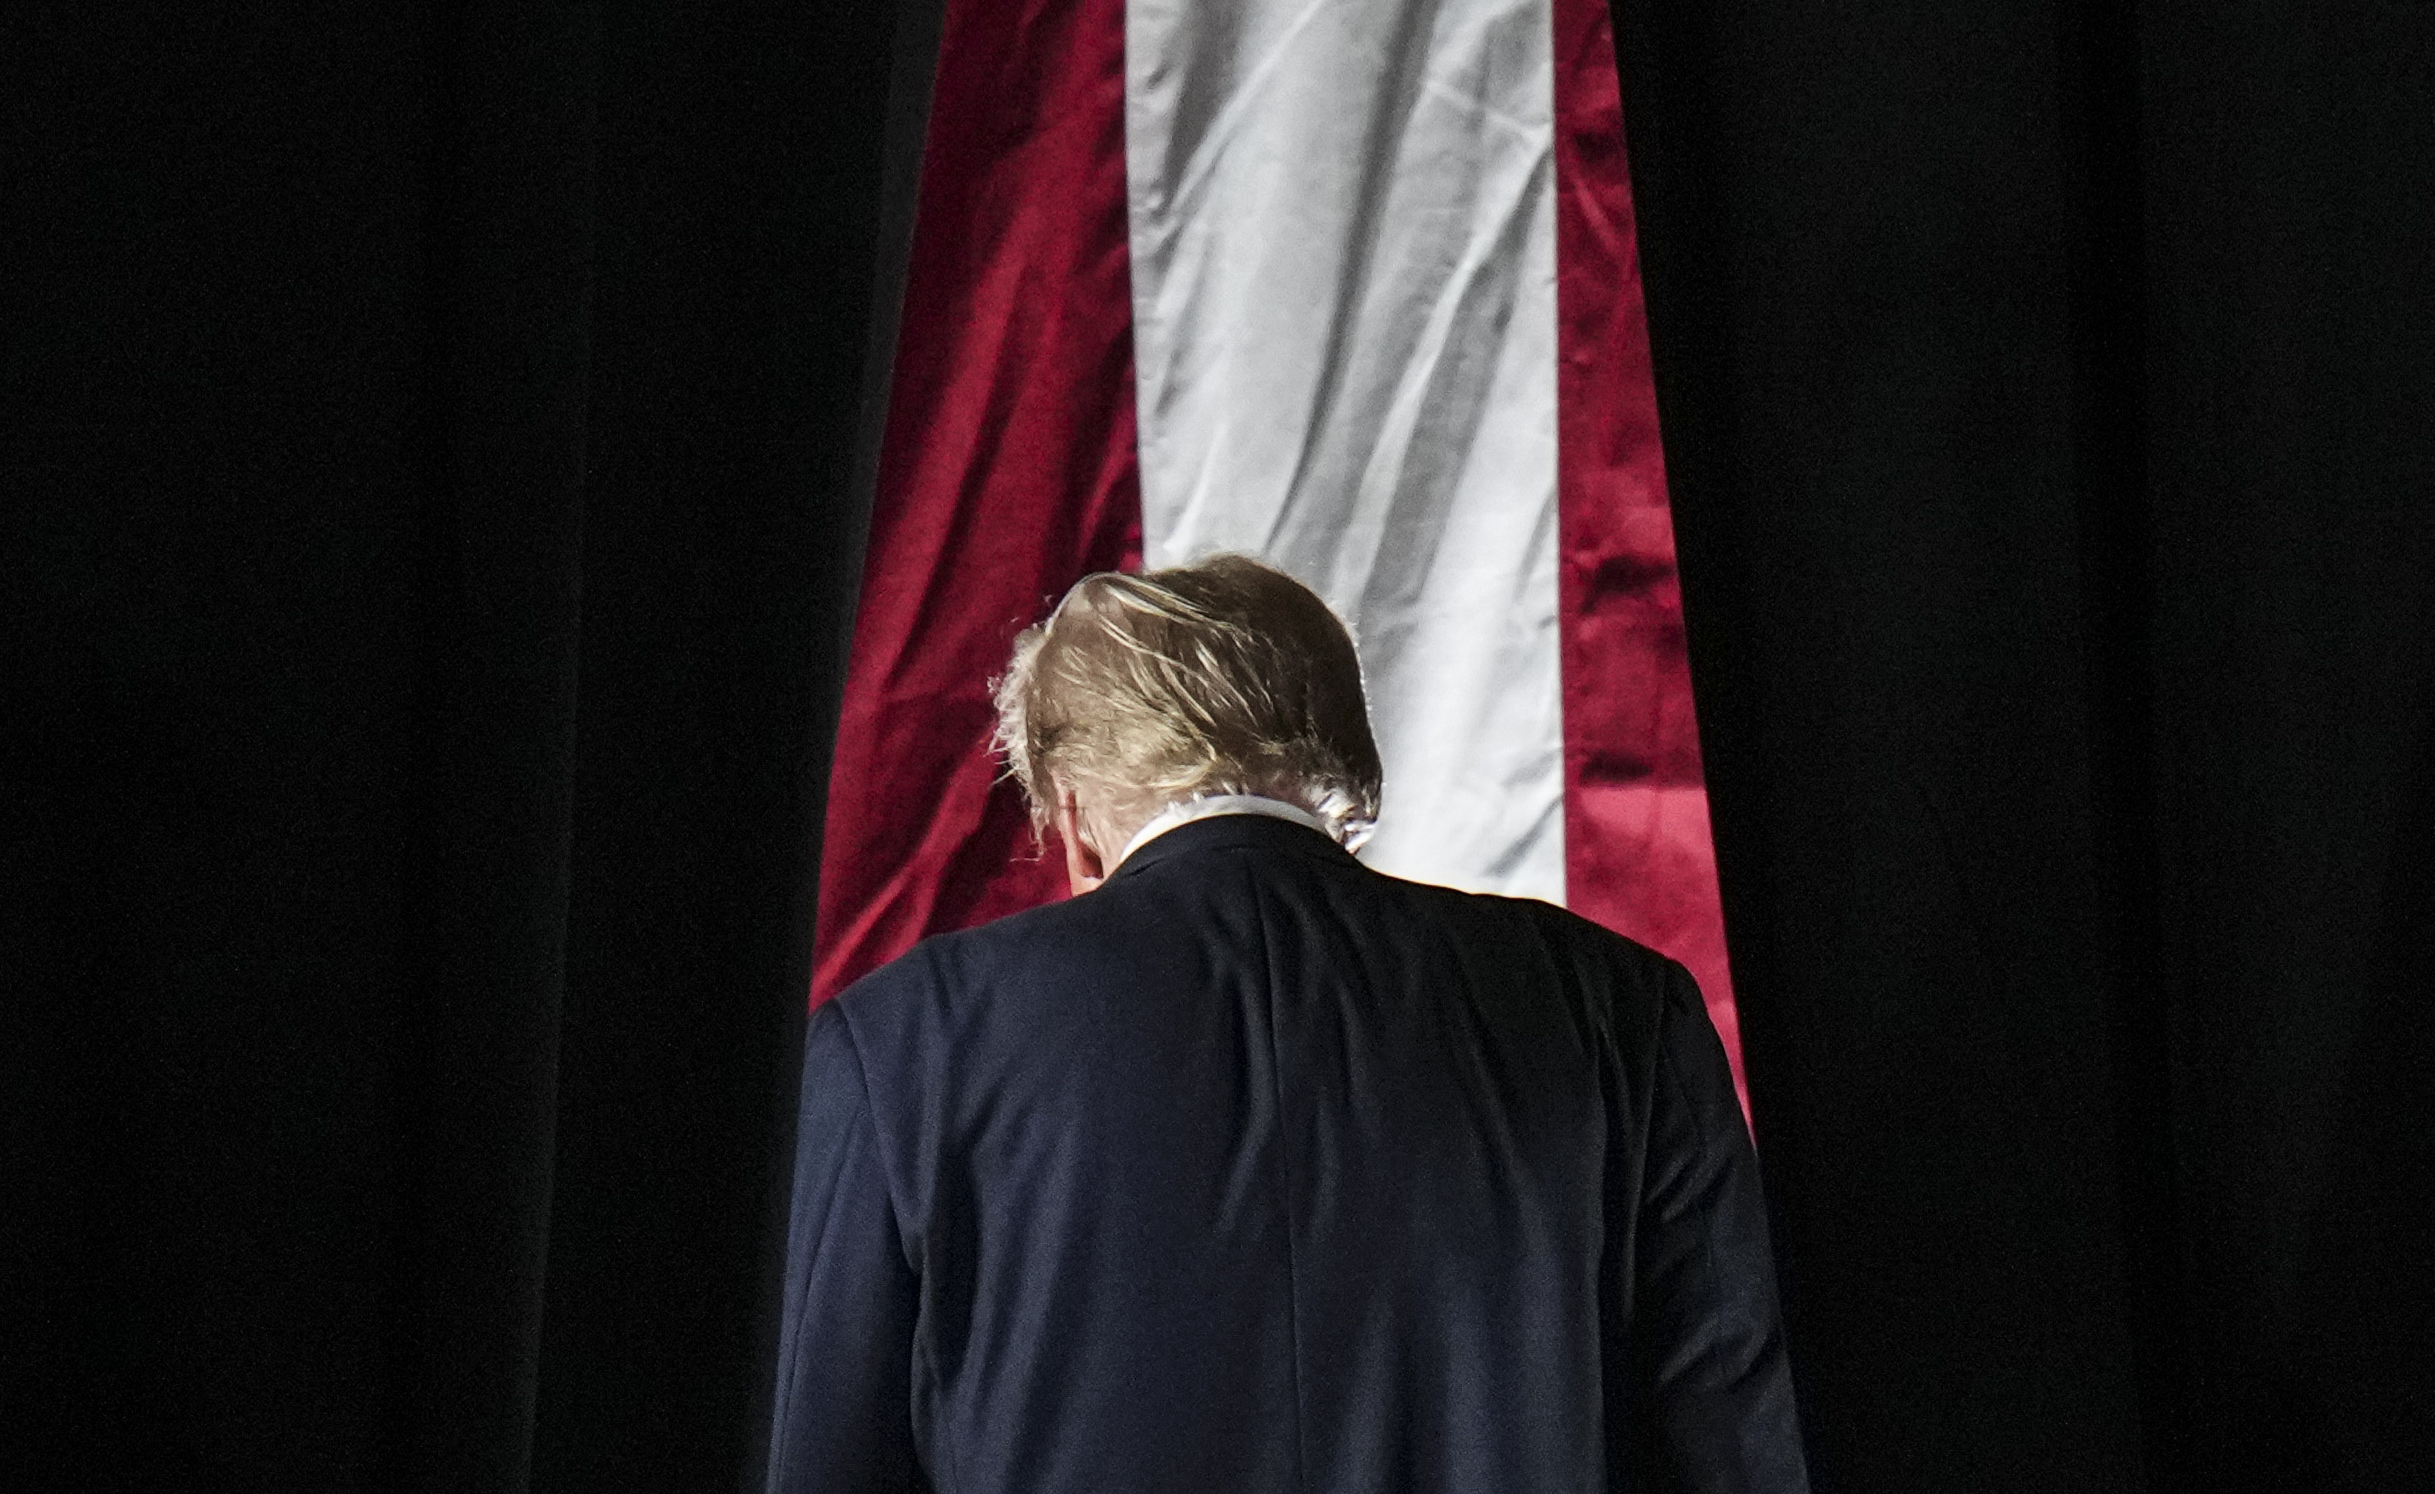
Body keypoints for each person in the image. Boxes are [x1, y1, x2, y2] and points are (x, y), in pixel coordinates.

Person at [772, 556, 1809, 1492]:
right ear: (1340, 767)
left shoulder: (897, 1044)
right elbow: (1742, 1447)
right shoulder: (1620, 1010)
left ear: (1075, 812)